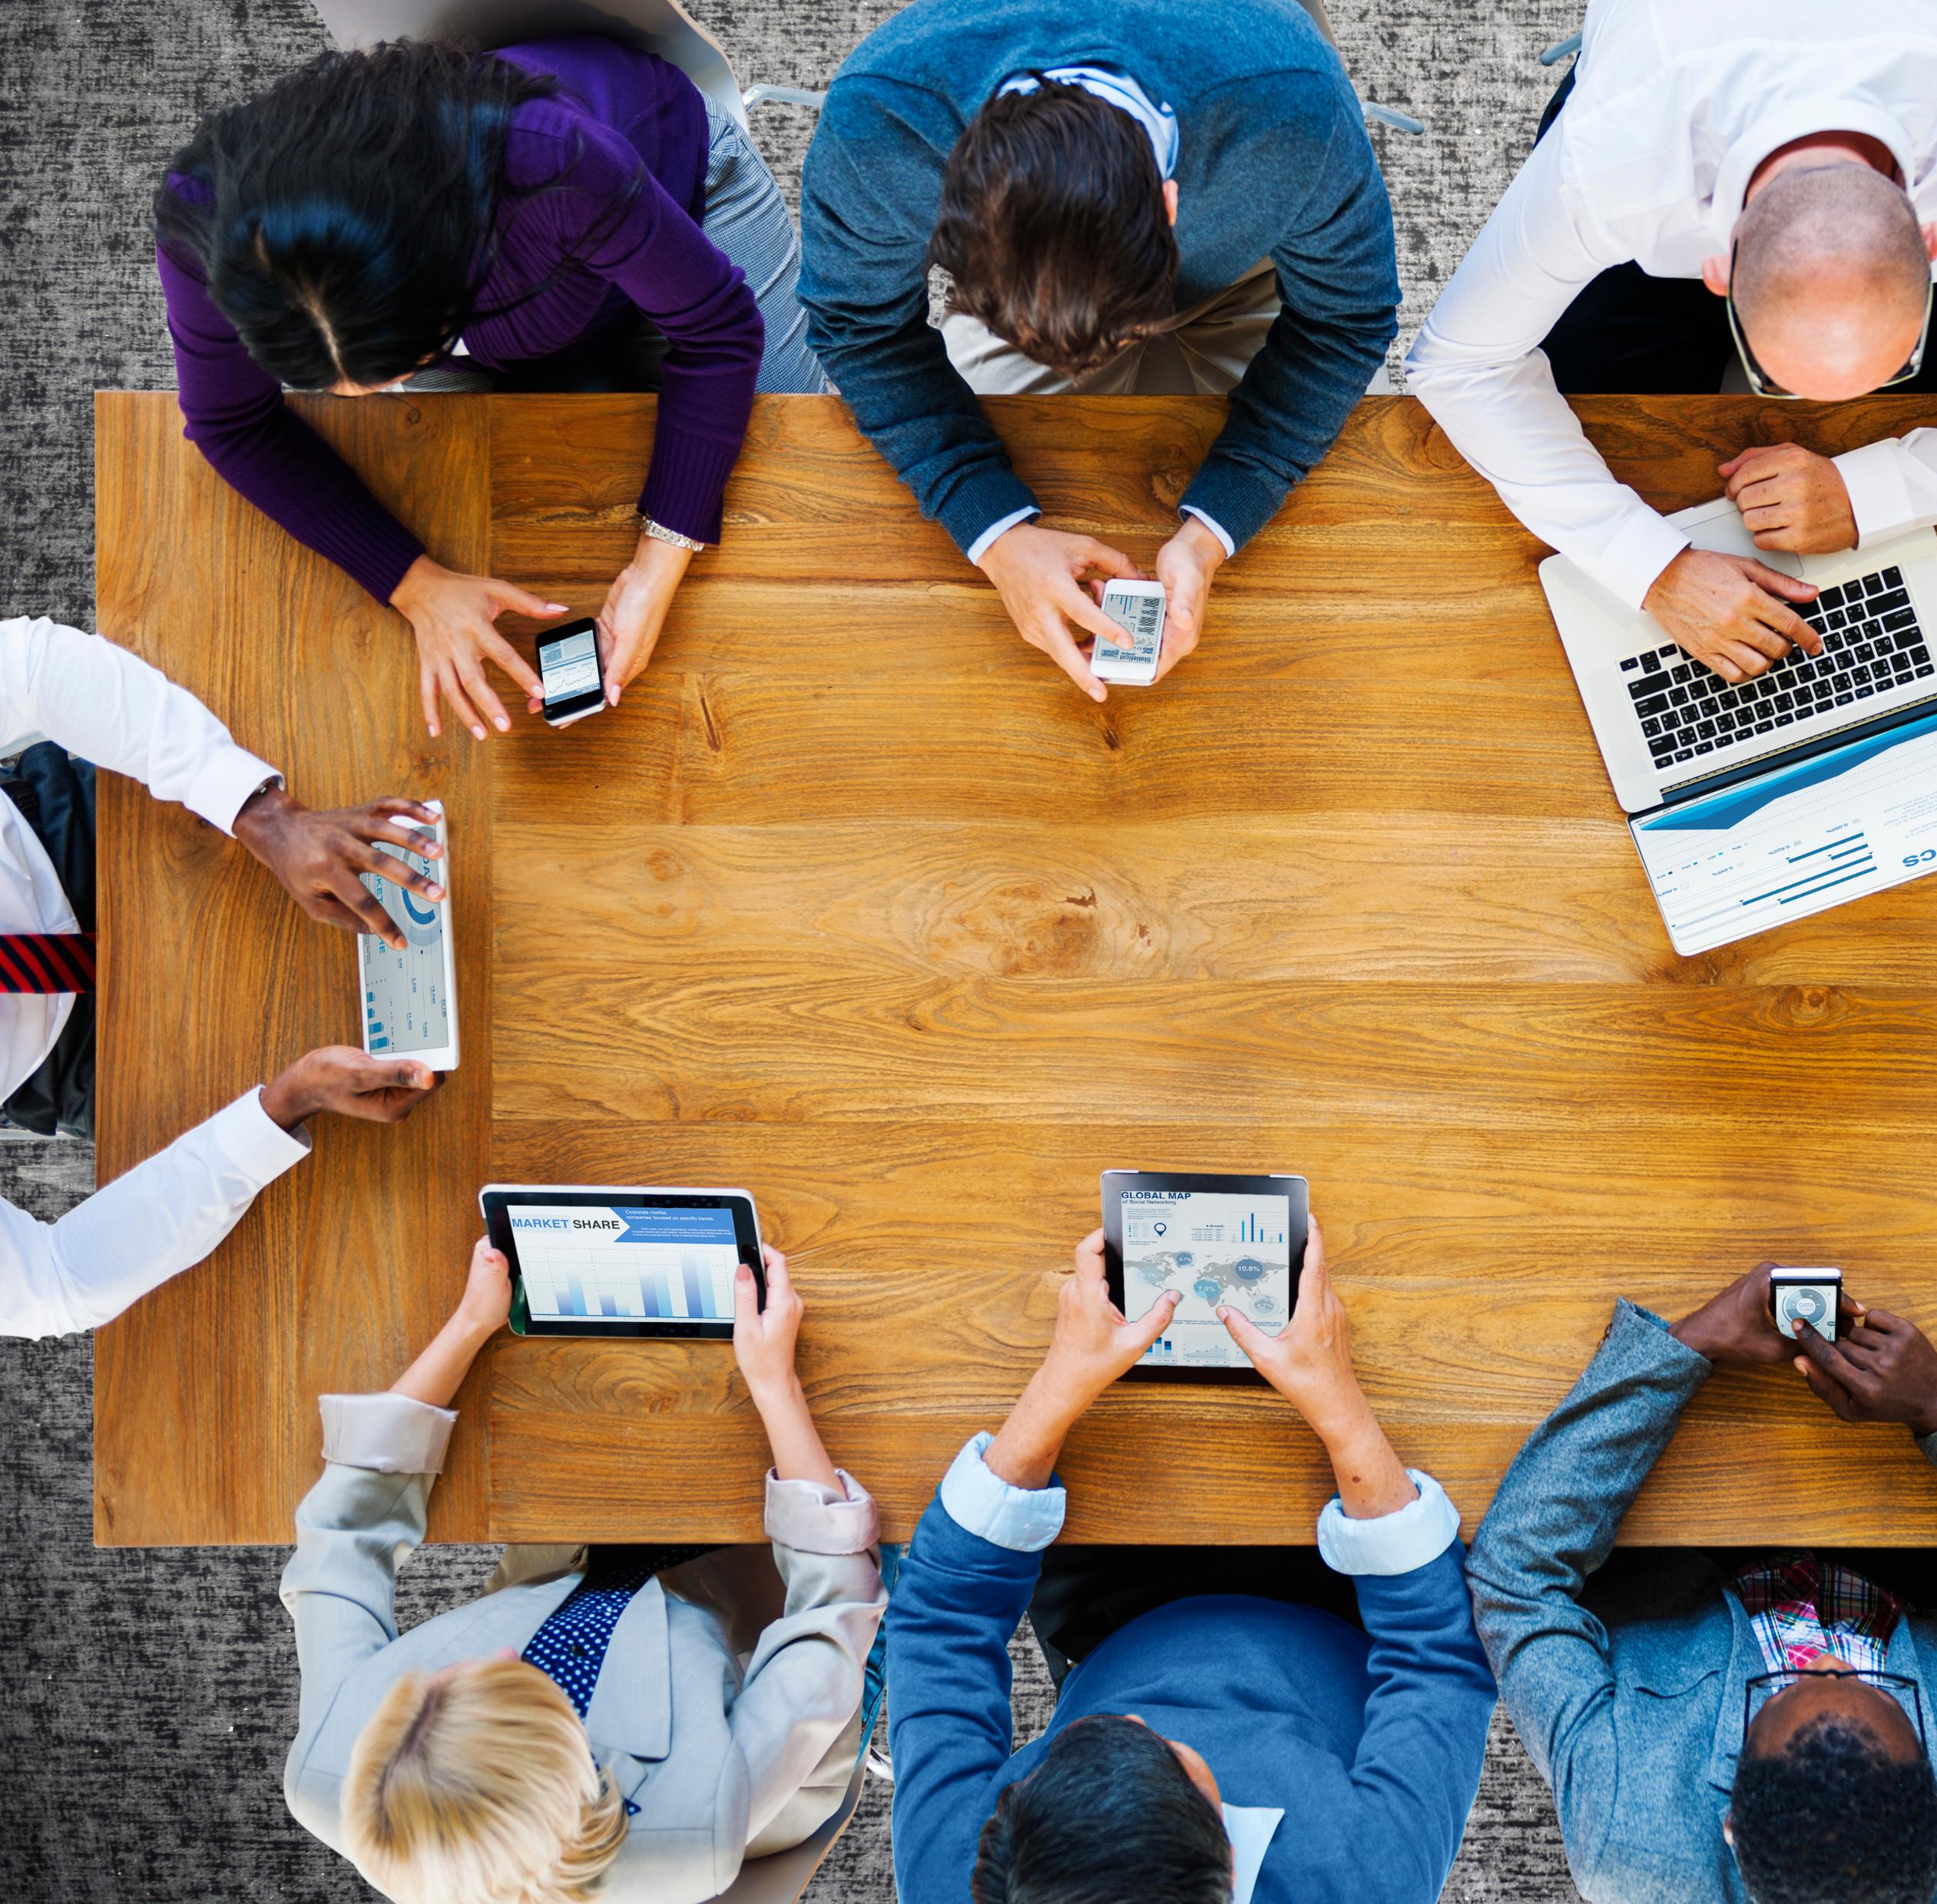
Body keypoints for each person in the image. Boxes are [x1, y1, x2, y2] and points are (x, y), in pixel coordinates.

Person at [1407, 0, 1937, 685]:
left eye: (1891, 364)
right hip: (1663, 123)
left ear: (1934, 243)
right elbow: (1461, 364)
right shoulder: (1609, 168)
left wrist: (1873, 492)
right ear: (1715, 272)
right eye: (1775, 376)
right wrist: (1651, 566)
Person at [157, 35, 826, 742]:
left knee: (800, 474)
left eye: (402, 367)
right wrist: (415, 584)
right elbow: (231, 424)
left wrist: (653, 570)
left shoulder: (550, 157)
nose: (378, 394)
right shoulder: (205, 217)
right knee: (492, 517)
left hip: (684, 205)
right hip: (521, 314)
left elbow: (719, 329)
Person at [1468, 1263, 1937, 1904]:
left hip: (1678, 1550)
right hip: (1904, 1565)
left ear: (1730, 1824)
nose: (1829, 1658)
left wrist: (1691, 1344)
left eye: (1786, 1691)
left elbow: (1513, 1582)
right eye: (1876, 1692)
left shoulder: (1630, 1837)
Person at [800, 0, 1399, 703]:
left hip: (1239, 267)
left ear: (1172, 207)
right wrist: (993, 533)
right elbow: (858, 327)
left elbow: (1346, 320)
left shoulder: (1295, 112)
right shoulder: (878, 129)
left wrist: (1216, 528)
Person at [886, 1220, 1492, 1904]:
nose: (1134, 1720)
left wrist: (1059, 1384)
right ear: (1229, 1859)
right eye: (1168, 1755)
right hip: (1356, 1602)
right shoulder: (1366, 1882)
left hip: (1111, 1610)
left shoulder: (960, 1880)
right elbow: (1437, 1658)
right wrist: (1338, 1403)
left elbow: (939, 1625)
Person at [282, 1241, 883, 1903]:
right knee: (883, 1536)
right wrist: (775, 1384)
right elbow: (831, 1613)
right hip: (752, 1659)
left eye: (435, 1681)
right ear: (580, 1754)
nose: (502, 1654)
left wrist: (469, 1324)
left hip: (565, 1584)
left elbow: (342, 1534)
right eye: (520, 1682)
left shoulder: (332, 1764)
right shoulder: (697, 1819)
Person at [0, 612, 442, 1336]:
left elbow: (22, 669)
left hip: (76, 830)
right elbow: (55, 1284)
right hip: (83, 1060)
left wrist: (259, 810)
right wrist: (279, 1109)